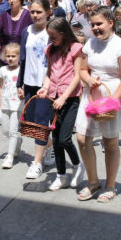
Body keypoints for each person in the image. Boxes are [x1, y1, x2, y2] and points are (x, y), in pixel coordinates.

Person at [76, 6, 121, 202]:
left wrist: (113, 101)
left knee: (109, 141)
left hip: (112, 95)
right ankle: (93, 181)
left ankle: (110, 185)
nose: (95, 28)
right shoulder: (89, 44)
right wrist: (87, 80)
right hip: (92, 95)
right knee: (82, 138)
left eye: (99, 24)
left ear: (111, 23)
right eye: (92, 24)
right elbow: (83, 69)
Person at [37, 17, 85, 190]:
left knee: (65, 139)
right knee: (56, 139)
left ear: (64, 34)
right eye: (49, 36)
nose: (51, 40)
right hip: (53, 98)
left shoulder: (75, 48)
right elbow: (49, 73)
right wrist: (44, 87)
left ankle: (78, 165)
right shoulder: (50, 49)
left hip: (69, 98)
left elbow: (78, 76)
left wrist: (64, 97)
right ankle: (61, 175)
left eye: (54, 36)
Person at [16, 0, 52, 179]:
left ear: (48, 12)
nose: (35, 15)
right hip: (29, 83)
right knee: (30, 121)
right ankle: (50, 144)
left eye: (39, 12)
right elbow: (22, 58)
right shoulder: (26, 31)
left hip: (47, 84)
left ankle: (37, 163)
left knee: (40, 122)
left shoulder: (52, 32)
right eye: (33, 12)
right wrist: (19, 84)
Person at [0, 0, 33, 71]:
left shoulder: (29, 16)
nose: (11, 1)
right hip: (5, 61)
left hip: (23, 62)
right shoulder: (4, 15)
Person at [0, 43, 24, 169]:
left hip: (17, 104)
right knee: (5, 130)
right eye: (8, 56)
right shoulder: (2, 70)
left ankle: (10, 156)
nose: (10, 58)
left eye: (13, 56)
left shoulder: (22, 70)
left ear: (19, 57)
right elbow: (1, 87)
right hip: (5, 102)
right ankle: (17, 142)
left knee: (13, 131)